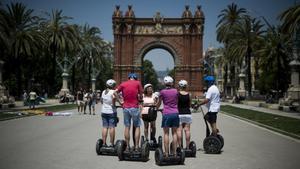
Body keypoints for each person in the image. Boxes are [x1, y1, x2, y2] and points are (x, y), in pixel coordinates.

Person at [115, 73, 143, 151]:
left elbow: (115, 92)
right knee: (137, 126)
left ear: (129, 78)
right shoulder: (138, 83)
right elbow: (141, 95)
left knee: (127, 127)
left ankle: (127, 146)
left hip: (125, 108)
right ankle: (137, 146)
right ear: (135, 78)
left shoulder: (123, 84)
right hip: (134, 107)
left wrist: (120, 101)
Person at [157, 76, 179, 157]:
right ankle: (175, 153)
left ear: (165, 83)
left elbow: (159, 103)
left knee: (166, 134)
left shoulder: (162, 92)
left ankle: (166, 153)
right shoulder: (176, 91)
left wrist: (156, 108)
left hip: (166, 113)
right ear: (172, 83)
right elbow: (177, 101)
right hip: (175, 113)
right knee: (174, 133)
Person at [101, 79, 118, 146]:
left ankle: (104, 143)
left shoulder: (103, 92)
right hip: (111, 111)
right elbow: (115, 101)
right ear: (113, 85)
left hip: (103, 111)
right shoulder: (113, 92)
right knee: (112, 127)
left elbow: (102, 101)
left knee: (105, 127)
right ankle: (112, 143)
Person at [176, 80, 192, 149]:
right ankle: (188, 147)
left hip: (179, 113)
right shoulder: (189, 94)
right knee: (187, 130)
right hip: (187, 113)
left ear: (179, 86)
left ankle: (180, 147)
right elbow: (190, 105)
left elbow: (176, 104)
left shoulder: (177, 94)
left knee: (179, 130)